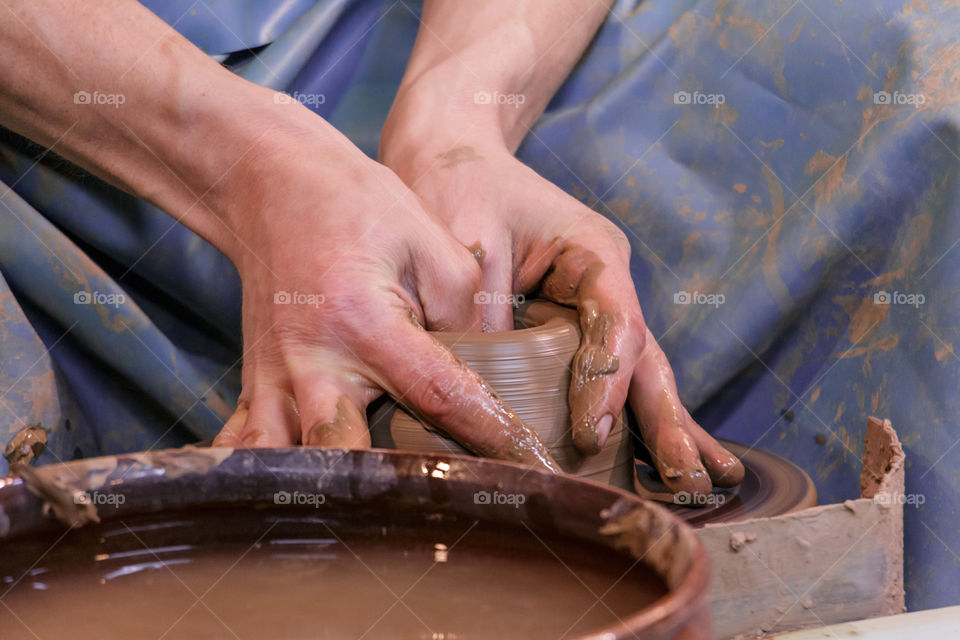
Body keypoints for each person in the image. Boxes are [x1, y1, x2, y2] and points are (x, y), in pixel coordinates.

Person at [0, 0, 955, 611]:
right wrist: (256, 168)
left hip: (432, 37)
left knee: (926, 99)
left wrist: (459, 121)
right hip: (65, 98)